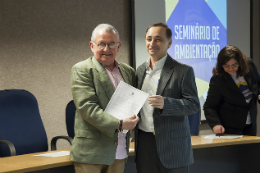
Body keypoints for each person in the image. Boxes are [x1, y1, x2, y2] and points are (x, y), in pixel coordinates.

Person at [70, 23, 139, 173]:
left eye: (111, 44)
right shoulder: (82, 70)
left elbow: (132, 103)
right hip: (91, 153)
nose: (106, 49)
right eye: (101, 44)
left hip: (119, 149)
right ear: (92, 45)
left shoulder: (128, 71)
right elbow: (87, 108)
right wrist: (120, 124)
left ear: (118, 46)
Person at [135, 23, 200, 173]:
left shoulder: (183, 71)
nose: (152, 43)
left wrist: (166, 103)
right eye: (149, 39)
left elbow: (193, 105)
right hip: (145, 144)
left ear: (169, 43)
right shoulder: (139, 71)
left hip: (173, 146)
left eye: (158, 39)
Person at [204, 45, 260, 136]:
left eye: (234, 65)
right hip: (230, 127)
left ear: (240, 63)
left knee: (251, 150)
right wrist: (215, 124)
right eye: (226, 66)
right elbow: (209, 106)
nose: (230, 69)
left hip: (251, 123)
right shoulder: (218, 79)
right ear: (221, 65)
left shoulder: (249, 65)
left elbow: (257, 82)